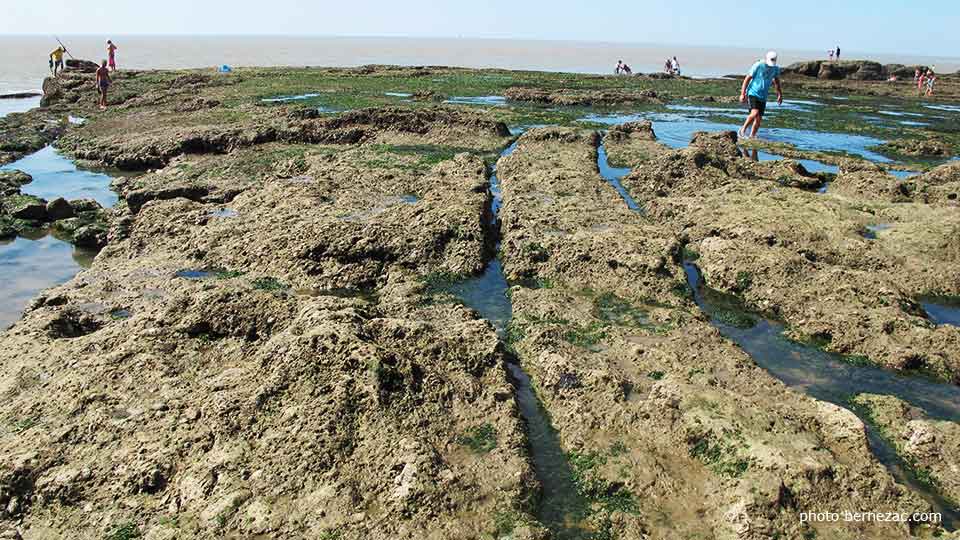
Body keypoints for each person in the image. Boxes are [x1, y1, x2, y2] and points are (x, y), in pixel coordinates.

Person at [738, 51, 783, 139]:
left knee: (758, 119)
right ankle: (742, 130)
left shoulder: (775, 68)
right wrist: (742, 94)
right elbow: (747, 79)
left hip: (763, 96)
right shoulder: (758, 65)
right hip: (753, 92)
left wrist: (779, 94)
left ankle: (752, 136)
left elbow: (777, 82)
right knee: (755, 112)